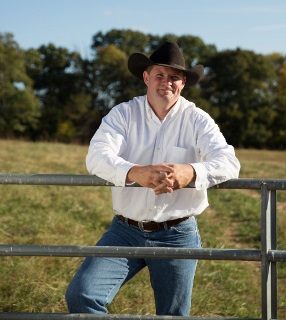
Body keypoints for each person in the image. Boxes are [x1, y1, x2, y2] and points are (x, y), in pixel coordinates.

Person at [65, 41, 240, 316]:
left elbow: (229, 162)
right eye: (159, 75)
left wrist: (190, 172)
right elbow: (96, 156)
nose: (166, 83)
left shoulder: (198, 120)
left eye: (174, 77)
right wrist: (136, 173)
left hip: (178, 233)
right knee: (82, 295)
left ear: (183, 83)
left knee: (172, 315)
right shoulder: (123, 114)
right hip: (125, 231)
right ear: (146, 77)